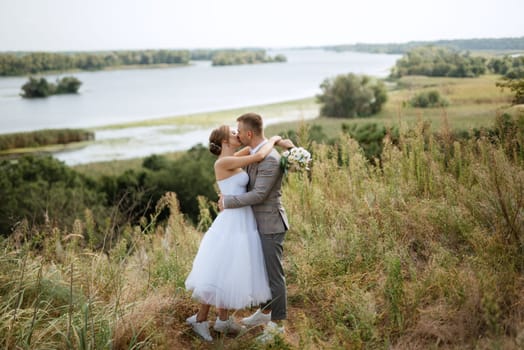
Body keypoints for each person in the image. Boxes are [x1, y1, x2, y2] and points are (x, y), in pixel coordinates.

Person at [185, 124, 291, 341]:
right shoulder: (224, 162)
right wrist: (276, 139)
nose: (238, 134)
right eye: (234, 133)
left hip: (243, 220)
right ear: (225, 141)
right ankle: (201, 320)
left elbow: (254, 151)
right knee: (220, 268)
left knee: (229, 268)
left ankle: (222, 320)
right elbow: (260, 154)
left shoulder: (234, 156)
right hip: (232, 221)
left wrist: (275, 144)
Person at [219, 112, 293, 342]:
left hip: (270, 224)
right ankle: (265, 312)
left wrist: (228, 202)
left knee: (274, 276)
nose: (237, 134)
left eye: (239, 130)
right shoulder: (254, 153)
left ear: (249, 133)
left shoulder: (269, 159)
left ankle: (277, 327)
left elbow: (260, 194)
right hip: (256, 223)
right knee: (261, 271)